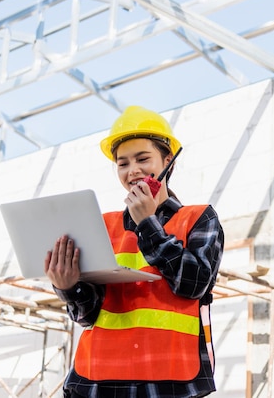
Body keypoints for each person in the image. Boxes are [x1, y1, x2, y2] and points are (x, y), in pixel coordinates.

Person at [44, 106, 224, 398]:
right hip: (98, 380)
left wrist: (148, 224)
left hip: (168, 381)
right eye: (122, 163)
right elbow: (88, 315)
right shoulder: (102, 225)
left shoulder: (199, 218)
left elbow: (193, 285)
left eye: (143, 159)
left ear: (168, 162)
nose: (132, 171)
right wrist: (68, 287)